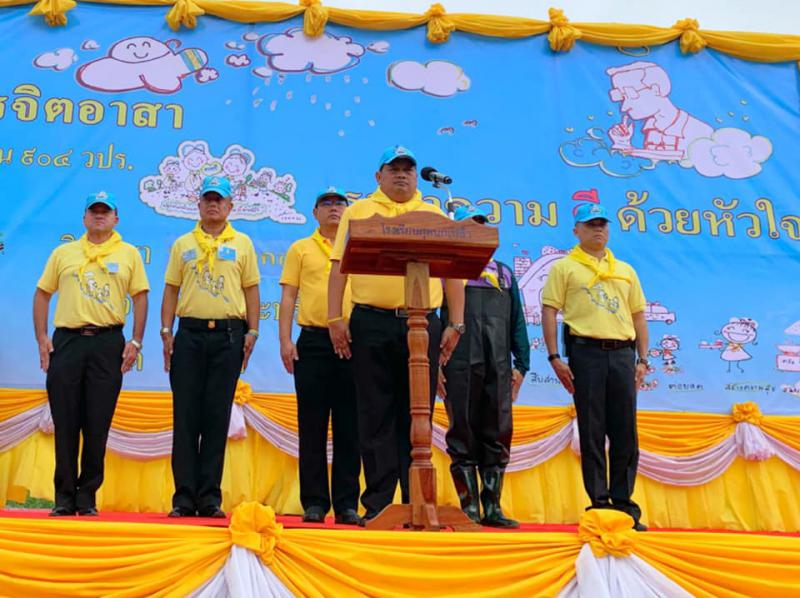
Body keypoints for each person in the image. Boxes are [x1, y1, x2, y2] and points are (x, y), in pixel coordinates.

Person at [327, 146, 465, 524]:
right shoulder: (359, 211)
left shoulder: (434, 215)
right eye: (394, 169)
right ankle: (380, 504)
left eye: (408, 169)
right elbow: (338, 268)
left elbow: (453, 272)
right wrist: (335, 317)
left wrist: (456, 322)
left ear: (416, 176)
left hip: (421, 323)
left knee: (417, 412)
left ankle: (417, 500)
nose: (402, 175)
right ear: (379, 176)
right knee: (375, 413)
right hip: (371, 321)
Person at [33, 191, 149, 516]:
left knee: (97, 423)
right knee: (65, 421)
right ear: (84, 217)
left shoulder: (129, 254)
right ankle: (64, 497)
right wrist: (42, 337)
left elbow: (140, 298)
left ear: (116, 218)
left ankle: (87, 497)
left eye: (105, 211)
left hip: (107, 342)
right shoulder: (64, 253)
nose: (99, 216)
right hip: (68, 342)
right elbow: (42, 294)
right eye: (93, 211)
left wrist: (136, 341)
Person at [541, 202, 649, 531]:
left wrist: (643, 359)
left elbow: (638, 316)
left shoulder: (625, 270)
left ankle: (624, 504)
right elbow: (549, 311)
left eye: (602, 224)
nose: (598, 229)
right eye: (590, 224)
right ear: (577, 230)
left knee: (625, 432)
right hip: (586, 352)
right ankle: (600, 503)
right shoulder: (565, 267)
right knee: (592, 430)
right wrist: (554, 357)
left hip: (623, 353)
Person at [161, 176, 260, 518]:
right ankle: (183, 497)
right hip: (189, 334)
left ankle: (209, 498)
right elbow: (171, 290)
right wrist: (166, 330)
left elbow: (251, 290)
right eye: (208, 199)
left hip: (229, 336)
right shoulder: (183, 244)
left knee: (217, 416)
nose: (213, 204)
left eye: (219, 199)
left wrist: (253, 331)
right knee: (186, 415)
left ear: (230, 205)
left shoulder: (243, 243)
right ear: (199, 204)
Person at [438, 204, 530, 528]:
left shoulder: (503, 273)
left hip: (498, 364)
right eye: (470, 225)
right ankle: (469, 508)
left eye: (482, 225)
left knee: (498, 430)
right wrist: (435, 365)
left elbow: (518, 322)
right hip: (458, 363)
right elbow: (435, 320)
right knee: (462, 429)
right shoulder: (446, 270)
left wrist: (522, 365)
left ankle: (493, 507)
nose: (478, 231)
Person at [279, 186, 361, 525]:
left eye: (340, 203)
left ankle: (347, 504)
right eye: (326, 203)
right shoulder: (300, 248)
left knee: (350, 425)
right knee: (311, 425)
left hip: (352, 343)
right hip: (312, 342)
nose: (334, 208)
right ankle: (314, 502)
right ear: (315, 212)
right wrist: (285, 340)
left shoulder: (358, 247)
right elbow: (288, 297)